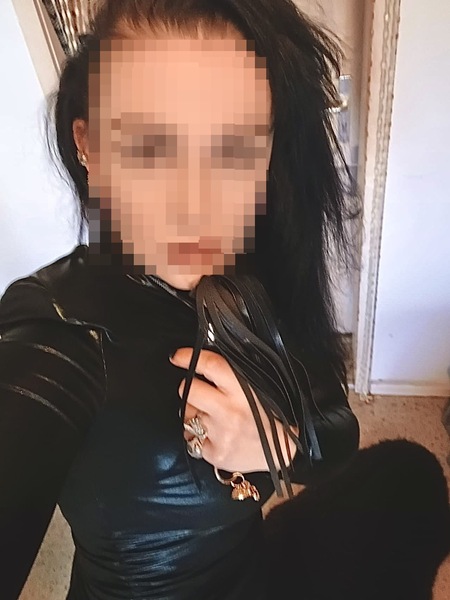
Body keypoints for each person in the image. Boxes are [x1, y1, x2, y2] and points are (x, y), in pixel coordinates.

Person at [0, 1, 448, 599]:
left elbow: (336, 425)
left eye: (234, 149)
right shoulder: (59, 331)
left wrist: (276, 443)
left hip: (254, 568)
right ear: (90, 148)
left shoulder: (254, 272)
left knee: (410, 478)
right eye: (150, 147)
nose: (195, 205)